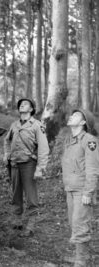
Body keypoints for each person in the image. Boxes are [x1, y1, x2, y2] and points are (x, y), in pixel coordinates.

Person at [4, 98, 49, 237]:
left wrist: (40, 168)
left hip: (29, 164)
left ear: (31, 109)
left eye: (25, 104)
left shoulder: (37, 125)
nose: (21, 105)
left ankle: (31, 224)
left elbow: (43, 147)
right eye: (20, 104)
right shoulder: (14, 124)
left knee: (31, 196)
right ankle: (17, 220)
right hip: (15, 164)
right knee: (15, 193)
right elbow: (7, 140)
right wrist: (7, 154)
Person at [62, 109, 99, 267]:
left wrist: (88, 193)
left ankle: (81, 261)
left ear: (83, 123)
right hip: (70, 188)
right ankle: (80, 256)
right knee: (73, 223)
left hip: (82, 191)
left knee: (80, 224)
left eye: (76, 115)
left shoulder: (89, 140)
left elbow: (93, 169)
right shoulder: (69, 140)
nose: (71, 116)